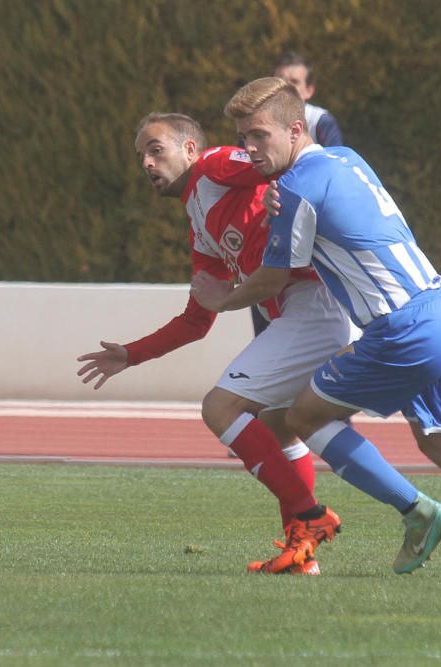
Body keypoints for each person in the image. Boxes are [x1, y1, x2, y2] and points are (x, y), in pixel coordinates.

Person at [192, 77, 441, 578]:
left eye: (259, 135)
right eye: (243, 137)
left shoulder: (297, 188)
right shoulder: (348, 158)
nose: (249, 148)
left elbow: (274, 278)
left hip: (401, 328)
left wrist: (222, 299)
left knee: (299, 418)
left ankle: (419, 514)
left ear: (296, 129)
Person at [76, 112, 355, 574]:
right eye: (140, 155)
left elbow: (279, 162)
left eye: (155, 149)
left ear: (189, 149)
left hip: (316, 301)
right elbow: (196, 320)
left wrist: (287, 197)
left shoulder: (215, 164)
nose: (145, 162)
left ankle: (312, 517)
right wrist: (132, 354)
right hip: (305, 310)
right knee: (279, 424)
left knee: (221, 409)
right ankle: (301, 553)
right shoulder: (199, 220)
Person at [250, 51, 345, 338]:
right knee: (263, 283)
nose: (286, 86)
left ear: (308, 89)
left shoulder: (320, 120)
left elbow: (335, 166)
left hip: (311, 221)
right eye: (279, 80)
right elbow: (250, 171)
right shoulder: (256, 121)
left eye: (293, 81)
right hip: (271, 216)